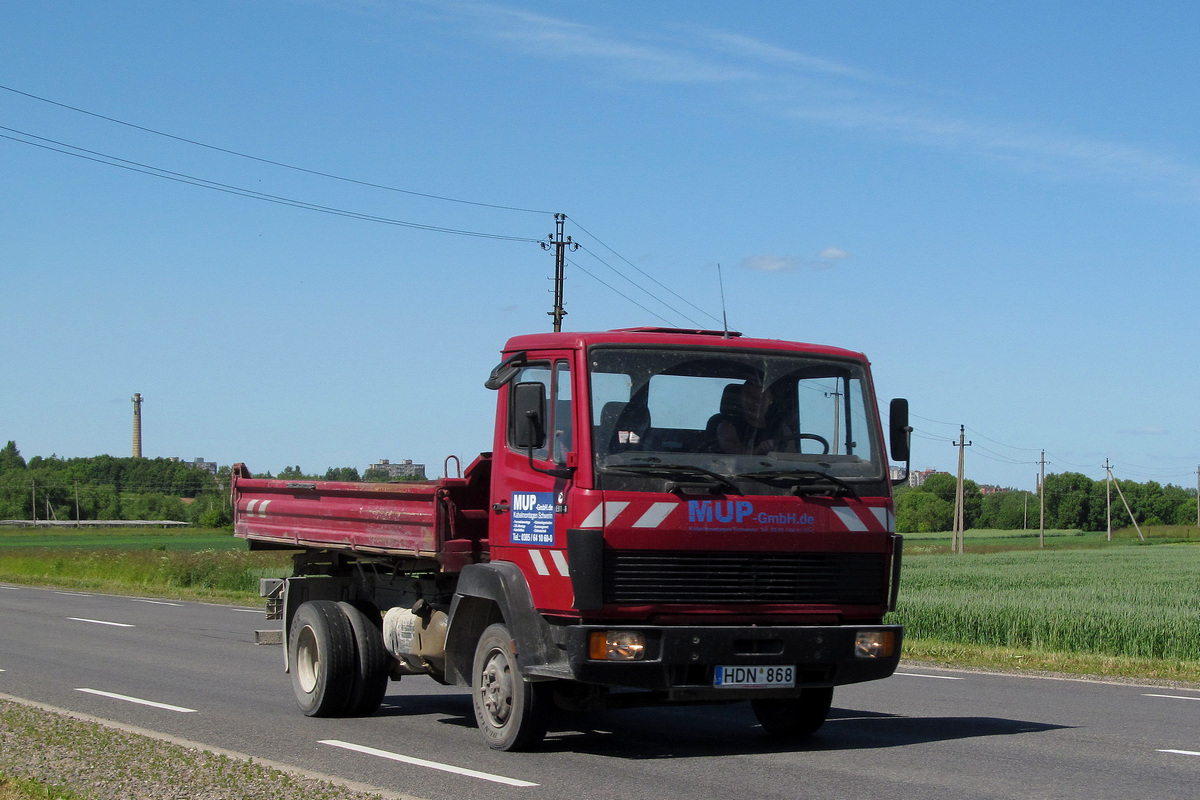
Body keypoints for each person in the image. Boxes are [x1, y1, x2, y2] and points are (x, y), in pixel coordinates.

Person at [715, 379, 795, 455]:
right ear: (742, 398)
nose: (756, 402)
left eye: (761, 397)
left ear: (771, 399)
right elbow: (733, 451)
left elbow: (792, 458)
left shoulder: (782, 429)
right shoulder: (727, 426)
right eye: (750, 396)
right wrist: (757, 450)